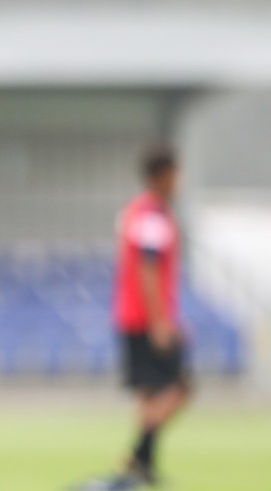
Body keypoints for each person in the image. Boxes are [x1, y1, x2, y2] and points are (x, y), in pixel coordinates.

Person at [109, 144, 191, 488]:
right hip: (144, 320)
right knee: (180, 388)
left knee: (149, 395)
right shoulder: (154, 216)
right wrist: (161, 321)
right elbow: (147, 268)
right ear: (164, 175)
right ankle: (138, 455)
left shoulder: (136, 212)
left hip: (129, 316)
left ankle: (143, 467)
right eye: (176, 173)